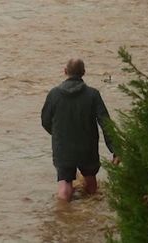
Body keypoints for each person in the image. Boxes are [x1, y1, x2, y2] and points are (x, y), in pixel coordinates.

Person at [41, 58, 119, 202]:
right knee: (91, 186)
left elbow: (45, 121)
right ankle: (90, 219)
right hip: (87, 147)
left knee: (64, 186)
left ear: (65, 72)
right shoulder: (93, 95)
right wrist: (115, 148)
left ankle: (64, 215)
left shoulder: (54, 95)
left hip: (63, 148)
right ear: (83, 72)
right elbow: (105, 122)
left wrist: (59, 134)